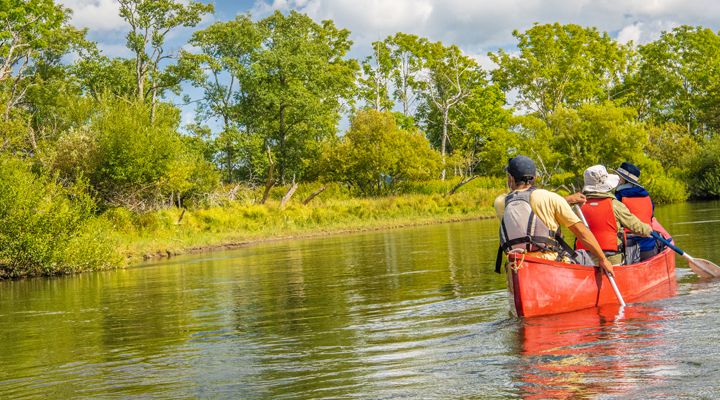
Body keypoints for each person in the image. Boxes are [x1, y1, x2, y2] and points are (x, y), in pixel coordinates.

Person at [494, 156, 615, 277]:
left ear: (510, 178)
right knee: (583, 255)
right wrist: (603, 259)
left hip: (518, 264)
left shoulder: (501, 202)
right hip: (550, 264)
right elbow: (581, 232)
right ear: (535, 176)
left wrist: (566, 200)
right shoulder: (551, 198)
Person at [578, 165, 653, 266]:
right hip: (612, 260)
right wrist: (648, 229)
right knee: (633, 247)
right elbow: (639, 229)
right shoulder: (616, 205)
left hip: (585, 260)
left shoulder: (577, 208)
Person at [612, 162, 660, 261]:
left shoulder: (617, 199)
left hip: (627, 249)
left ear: (624, 180)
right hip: (648, 247)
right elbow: (651, 218)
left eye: (618, 177)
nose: (615, 179)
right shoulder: (647, 197)